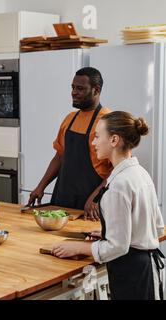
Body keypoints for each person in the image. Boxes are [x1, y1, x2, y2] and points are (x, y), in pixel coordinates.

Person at [52, 111, 165, 300]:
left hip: (132, 274)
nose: (93, 142)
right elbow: (158, 228)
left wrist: (79, 248)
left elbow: (117, 247)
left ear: (114, 140)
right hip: (146, 269)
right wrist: (109, 231)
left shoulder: (119, 184)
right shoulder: (140, 173)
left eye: (97, 136)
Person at [27, 67, 113, 220]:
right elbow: (59, 157)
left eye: (80, 88)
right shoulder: (70, 119)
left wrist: (96, 198)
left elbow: (118, 169)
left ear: (96, 90)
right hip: (63, 198)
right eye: (73, 87)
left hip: (90, 206)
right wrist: (40, 187)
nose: (74, 92)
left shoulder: (108, 121)